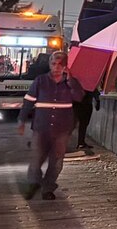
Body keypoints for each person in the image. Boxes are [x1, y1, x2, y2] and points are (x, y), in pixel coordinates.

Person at [18, 51, 82, 200]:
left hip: (62, 130)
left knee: (56, 161)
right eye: (54, 63)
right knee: (36, 159)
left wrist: (70, 80)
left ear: (65, 65)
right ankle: (34, 183)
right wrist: (21, 119)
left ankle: (48, 188)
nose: (57, 67)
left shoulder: (71, 82)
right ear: (49, 64)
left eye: (60, 64)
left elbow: (78, 96)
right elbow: (28, 101)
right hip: (41, 128)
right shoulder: (40, 81)